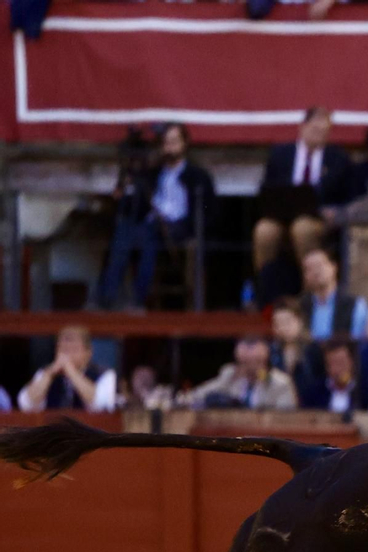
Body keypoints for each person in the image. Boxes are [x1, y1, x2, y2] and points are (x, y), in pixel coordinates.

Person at [98, 122, 214, 310]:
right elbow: (140, 202)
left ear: (185, 144)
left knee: (147, 236)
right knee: (124, 230)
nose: (169, 148)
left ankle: (138, 300)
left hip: (179, 226)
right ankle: (107, 298)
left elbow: (207, 209)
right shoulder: (154, 173)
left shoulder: (197, 175)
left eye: (174, 142)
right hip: (152, 223)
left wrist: (192, 227)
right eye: (166, 143)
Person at [253, 107, 348, 283]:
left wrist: (335, 212)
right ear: (302, 127)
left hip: (318, 219)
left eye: (324, 131)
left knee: (302, 228)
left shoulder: (338, 158)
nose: (319, 134)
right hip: (281, 216)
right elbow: (267, 188)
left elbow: (346, 196)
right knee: (264, 230)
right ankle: (265, 287)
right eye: (315, 129)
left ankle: (309, 288)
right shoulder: (281, 154)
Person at [17, 326, 118, 413]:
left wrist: (71, 372)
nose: (67, 355)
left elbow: (100, 405)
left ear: (88, 352)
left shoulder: (105, 374)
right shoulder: (46, 372)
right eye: (63, 349)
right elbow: (25, 404)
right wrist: (49, 375)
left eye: (74, 349)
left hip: (89, 433)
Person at [190, 337, 298, 411]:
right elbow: (197, 396)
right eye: (245, 362)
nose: (251, 368)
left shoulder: (280, 383)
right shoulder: (230, 375)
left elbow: (285, 420)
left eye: (257, 361)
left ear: (265, 361)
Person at [299, 248, 368, 341]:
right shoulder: (301, 306)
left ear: (333, 267)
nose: (316, 272)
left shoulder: (354, 304)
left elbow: (358, 340)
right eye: (309, 269)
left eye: (320, 266)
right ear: (305, 276)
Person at [299, 337, 360, 413]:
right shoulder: (313, 393)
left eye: (341, 363)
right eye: (331, 364)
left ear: (352, 362)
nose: (337, 370)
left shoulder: (363, 391)